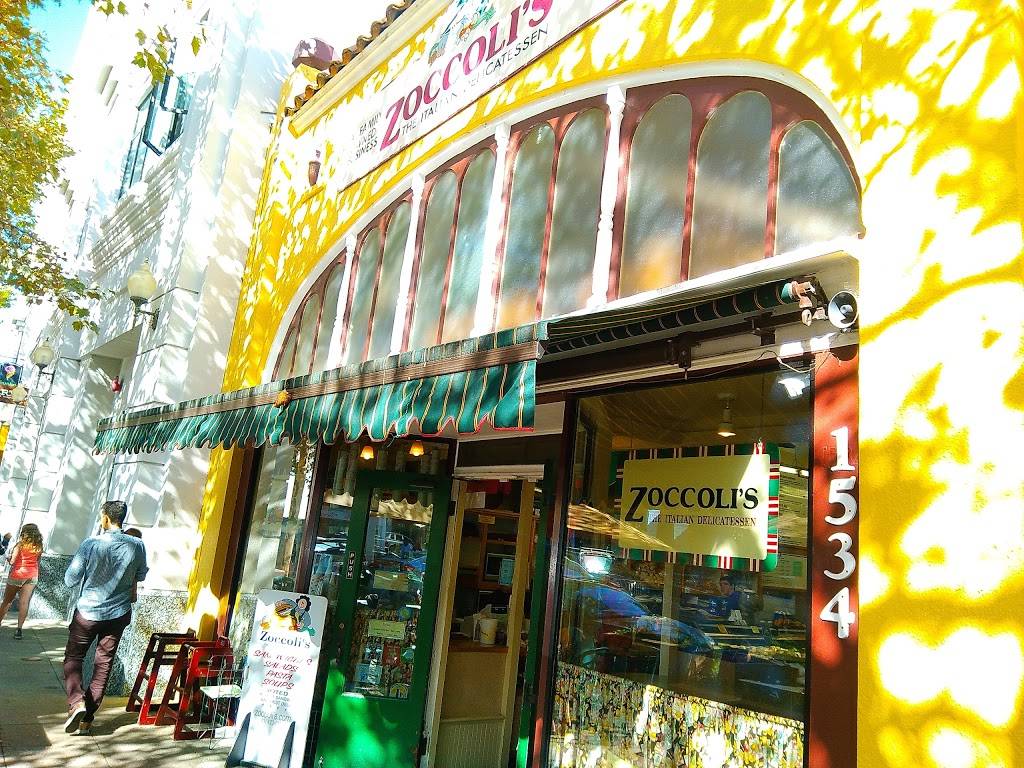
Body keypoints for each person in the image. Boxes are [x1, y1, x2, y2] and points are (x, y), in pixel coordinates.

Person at [62, 501, 147, 735]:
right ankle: (87, 719)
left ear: (106, 518)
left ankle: (76, 702)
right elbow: (141, 574)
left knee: (74, 657)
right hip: (118, 613)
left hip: (88, 612)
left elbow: (70, 579)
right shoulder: (137, 545)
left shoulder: (90, 544)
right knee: (104, 663)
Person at [0, 523, 44, 639]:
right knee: (24, 603)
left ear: (24, 533)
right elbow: (37, 560)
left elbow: (12, 561)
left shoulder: (20, 545)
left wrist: (8, 558)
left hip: (17, 575)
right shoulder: (39, 546)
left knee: (7, 601)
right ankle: (19, 630)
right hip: (32, 576)